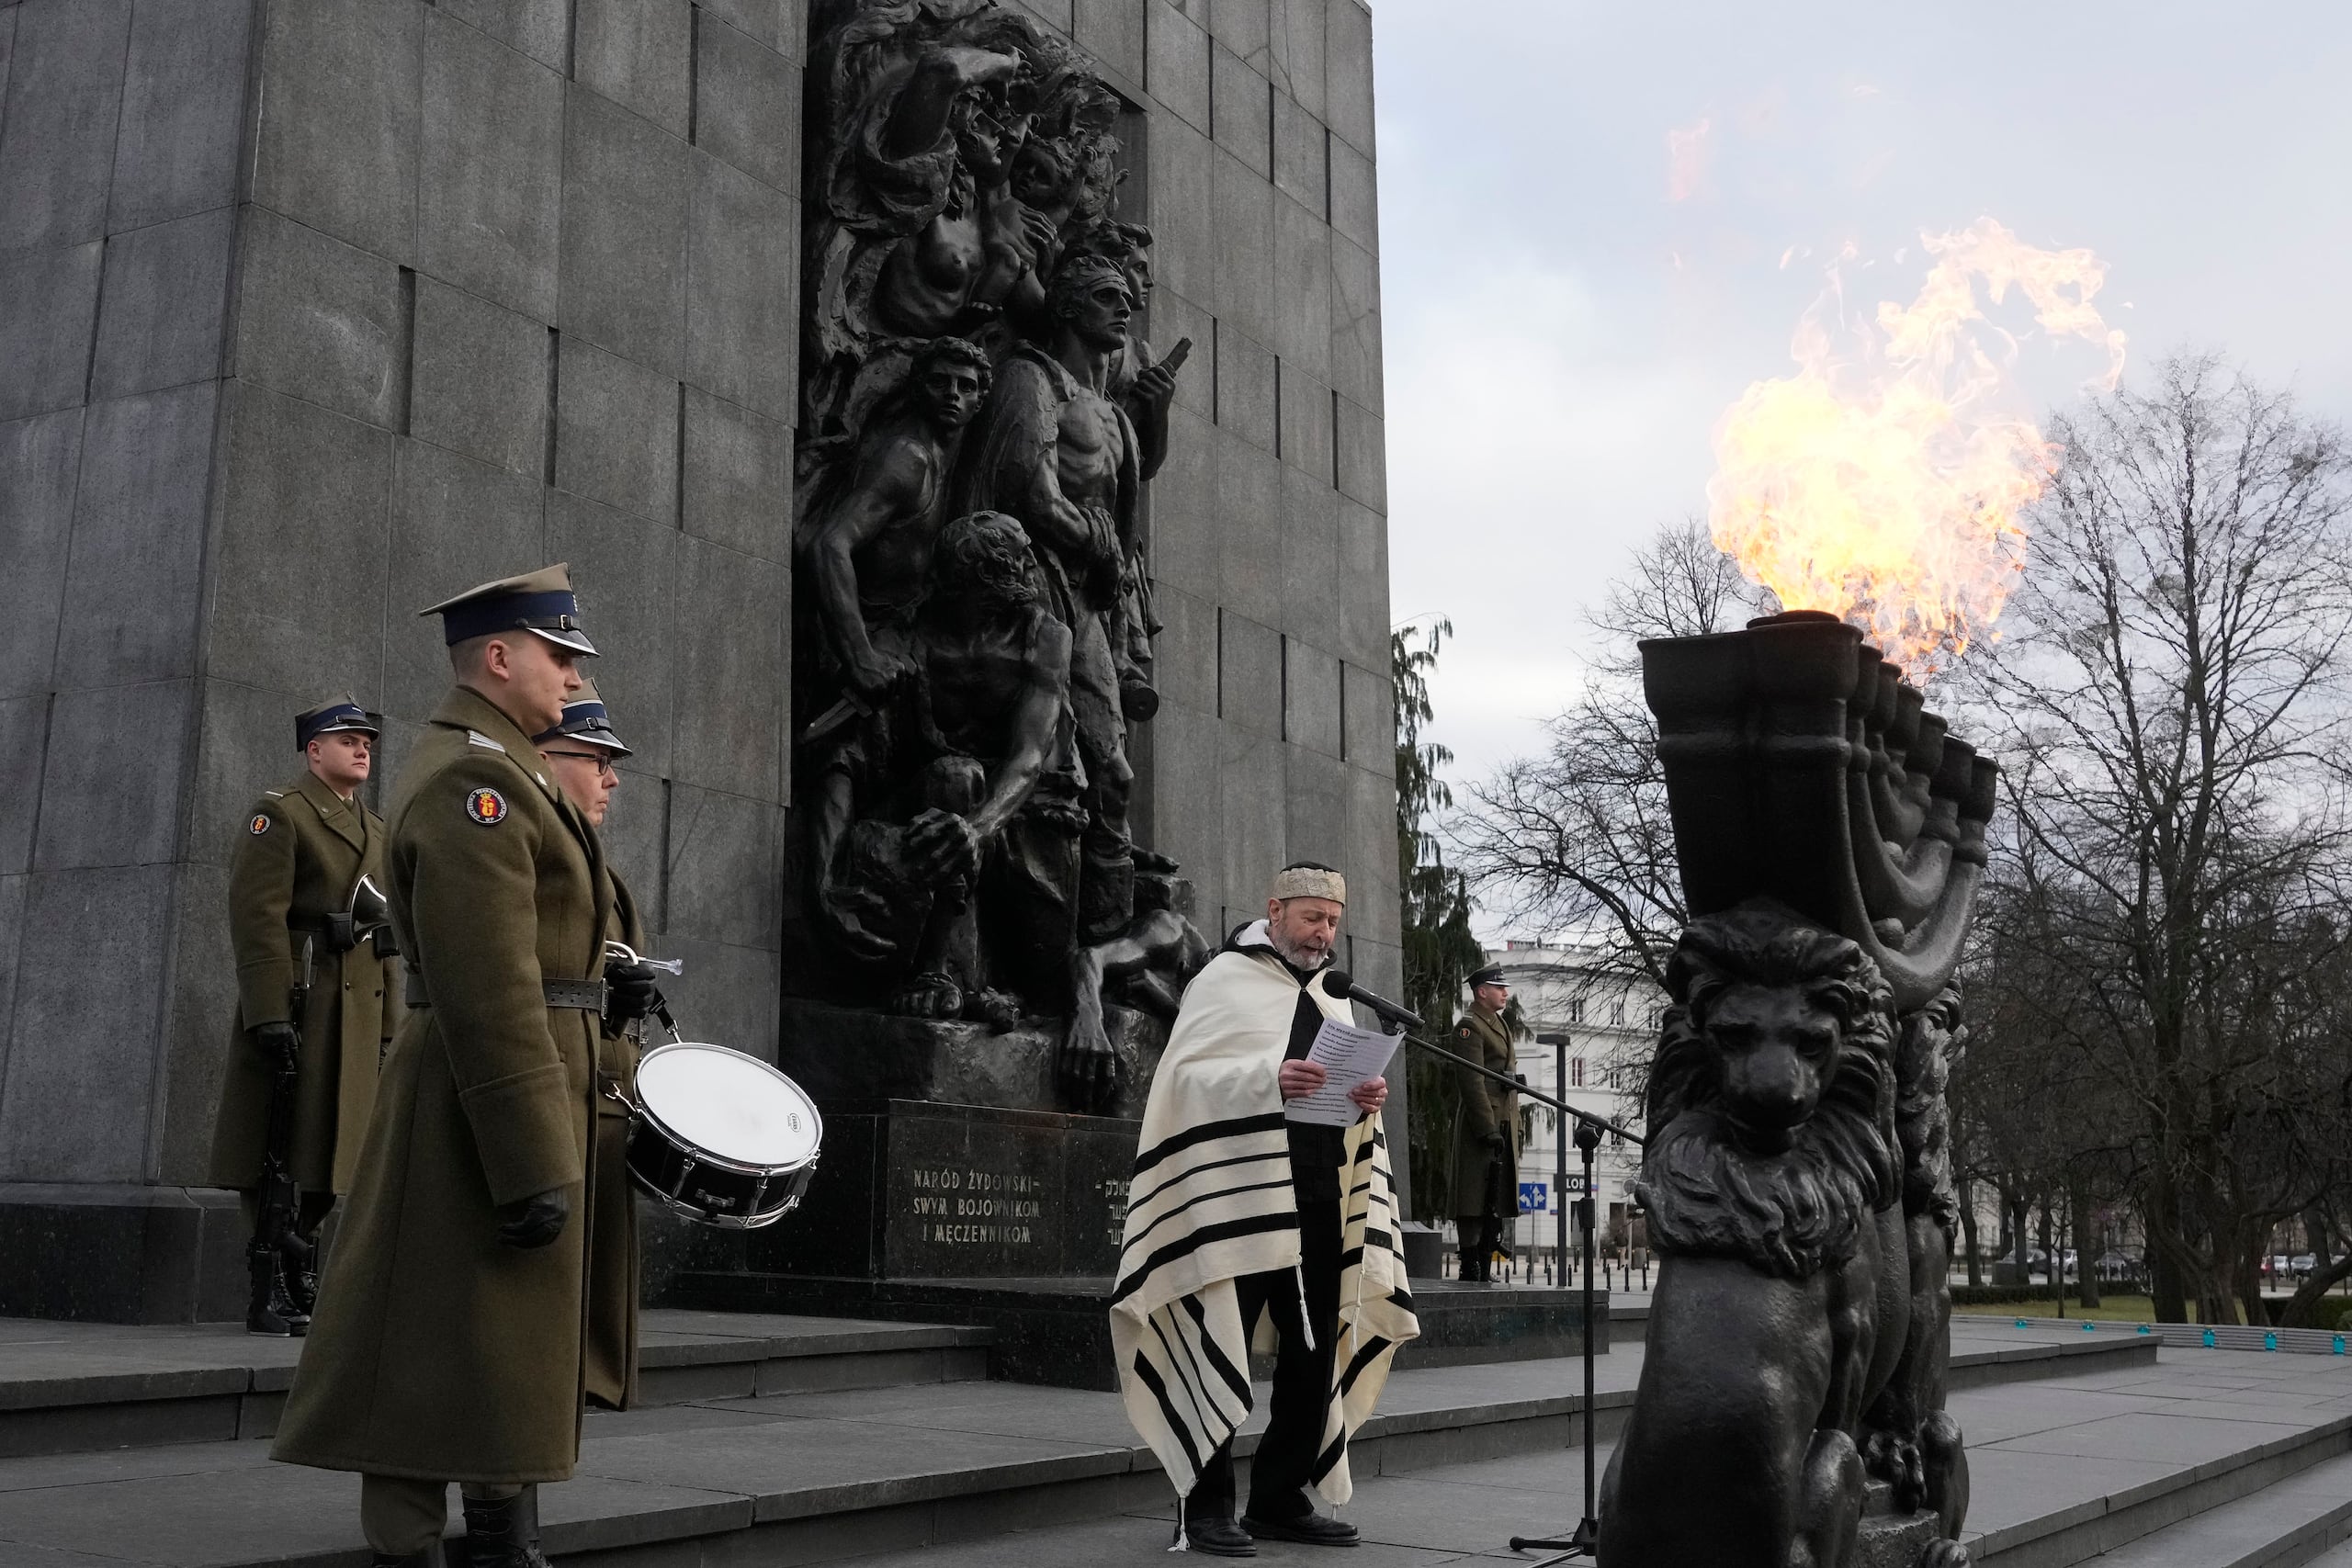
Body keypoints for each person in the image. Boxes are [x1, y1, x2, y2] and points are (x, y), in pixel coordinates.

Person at [271, 565, 659, 1568]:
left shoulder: (510, 767)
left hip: (524, 1090)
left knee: (501, 1344)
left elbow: (544, 953)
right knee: (429, 1339)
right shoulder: (474, 779)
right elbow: (487, 985)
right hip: (475, 1103)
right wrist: (532, 1154)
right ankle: (421, 1547)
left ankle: (500, 1533)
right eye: (560, 655)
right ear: (499, 656)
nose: (574, 677)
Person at [1111, 863, 1420, 1558]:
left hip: (1318, 1193)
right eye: (1313, 918)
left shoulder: (1333, 996)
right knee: (1218, 1334)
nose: (1324, 933)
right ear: (1274, 909)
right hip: (1236, 1197)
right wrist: (1266, 1079)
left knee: (1312, 1357)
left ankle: (1279, 1497)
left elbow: (1337, 1090)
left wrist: (1364, 1101)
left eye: (1334, 922)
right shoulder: (1223, 980)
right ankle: (1208, 1504)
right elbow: (1183, 1079)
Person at [209, 696, 397, 1337]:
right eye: (347, 738)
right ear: (314, 750)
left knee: (332, 1149)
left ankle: (300, 1266)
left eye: (366, 739)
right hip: (306, 997)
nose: (362, 747)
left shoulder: (378, 829)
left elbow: (388, 933)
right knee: (283, 1146)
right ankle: (271, 1280)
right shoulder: (281, 814)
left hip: (358, 1005)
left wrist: (391, 1022)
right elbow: (258, 916)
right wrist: (267, 1011)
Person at [534, 682, 662, 1415]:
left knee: (604, 1258)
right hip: (554, 1074)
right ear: (548, 758)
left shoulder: (607, 875)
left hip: (606, 1081)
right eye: (597, 758)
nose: (612, 777)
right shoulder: (530, 849)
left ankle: (595, 1372)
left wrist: (627, 1000)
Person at [1450, 964, 1521, 1285]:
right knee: (1474, 1195)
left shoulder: (1500, 1024)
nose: (1505, 993)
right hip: (1482, 1123)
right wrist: (1486, 1127)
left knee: (1494, 1197)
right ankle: (1471, 1263)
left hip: (1503, 1118)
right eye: (1498, 987)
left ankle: (1484, 1260)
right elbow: (1471, 1081)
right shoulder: (1470, 1027)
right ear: (1482, 991)